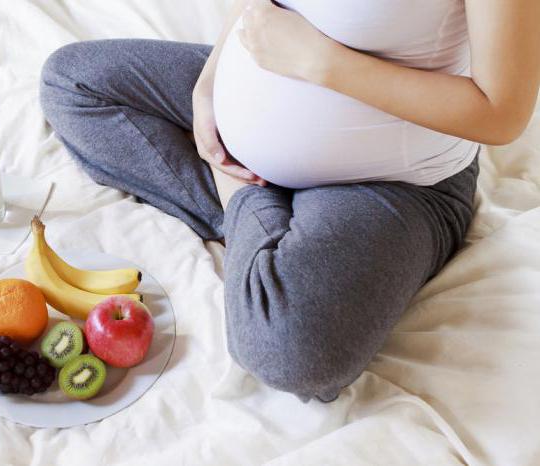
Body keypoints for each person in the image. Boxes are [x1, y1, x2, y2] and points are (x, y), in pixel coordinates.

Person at [39, 0, 540, 402]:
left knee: (289, 350)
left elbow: (502, 113)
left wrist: (323, 64)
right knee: (73, 82)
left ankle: (240, 194)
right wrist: (209, 86)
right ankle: (268, 218)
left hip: (391, 178)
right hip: (253, 93)